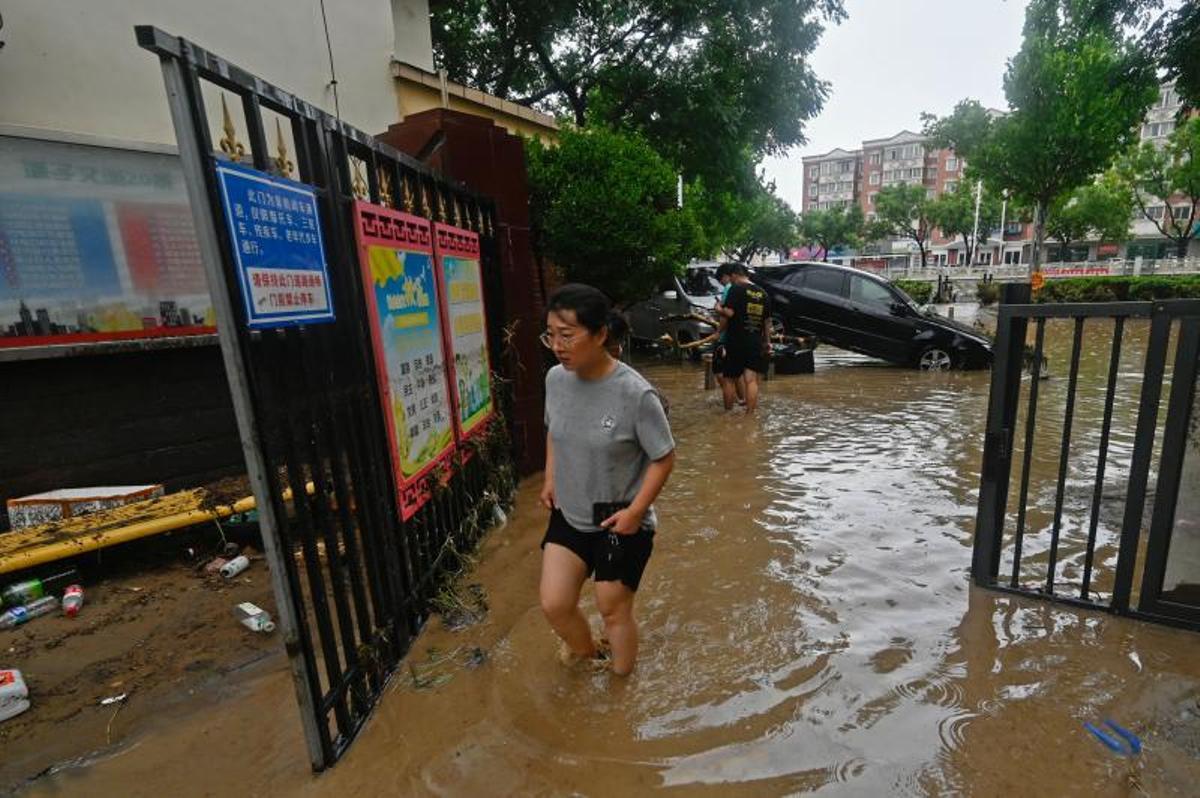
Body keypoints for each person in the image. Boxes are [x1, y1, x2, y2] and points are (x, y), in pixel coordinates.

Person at [539, 284, 676, 676]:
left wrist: (636, 512)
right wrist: (550, 479)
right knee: (555, 604)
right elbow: (555, 430)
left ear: (600, 335)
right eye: (551, 334)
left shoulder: (636, 394)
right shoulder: (555, 379)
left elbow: (664, 459)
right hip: (571, 509)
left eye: (567, 335)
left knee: (612, 609)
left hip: (619, 515)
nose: (557, 345)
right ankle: (588, 656)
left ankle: (620, 688)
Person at [718, 263, 771, 413]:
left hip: (736, 340)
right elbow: (767, 321)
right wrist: (767, 342)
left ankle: (727, 414)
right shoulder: (763, 293)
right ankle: (750, 416)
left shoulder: (736, 289)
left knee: (729, 378)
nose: (730, 282)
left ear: (734, 275)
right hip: (755, 342)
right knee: (751, 380)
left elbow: (729, 313)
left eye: (731, 278)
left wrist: (718, 308)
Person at [712, 264, 746, 405]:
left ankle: (729, 407)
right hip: (741, 336)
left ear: (727, 276)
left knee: (722, 373)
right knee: (736, 373)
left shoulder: (728, 289)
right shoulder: (745, 289)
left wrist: (718, 333)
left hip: (726, 338)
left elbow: (726, 315)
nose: (724, 284)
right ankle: (742, 401)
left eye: (722, 281)